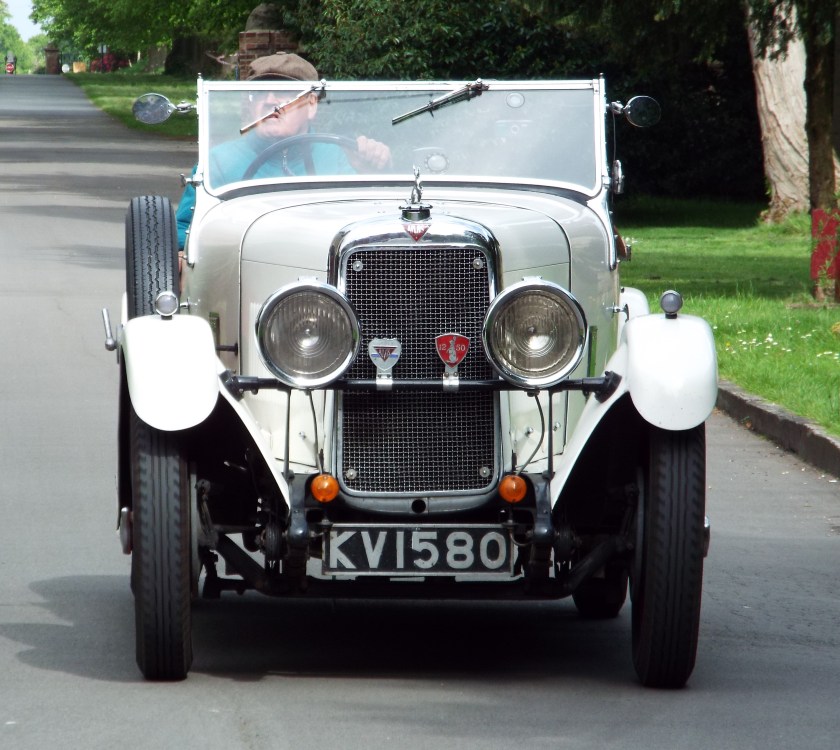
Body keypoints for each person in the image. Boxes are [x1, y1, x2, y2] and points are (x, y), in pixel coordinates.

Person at [176, 52, 390, 249]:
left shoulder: (340, 157)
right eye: (258, 93)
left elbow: (371, 227)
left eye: (284, 91)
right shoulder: (218, 163)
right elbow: (182, 232)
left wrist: (371, 173)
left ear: (311, 104)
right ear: (250, 104)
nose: (270, 100)